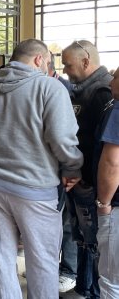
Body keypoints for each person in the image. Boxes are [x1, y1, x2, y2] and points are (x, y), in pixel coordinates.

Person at [0, 39, 83, 298]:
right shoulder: (50, 87)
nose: (48, 67)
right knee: (42, 262)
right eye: (47, 62)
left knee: (1, 259)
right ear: (38, 60)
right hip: (36, 186)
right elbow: (62, 139)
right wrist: (73, 166)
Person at [61, 40, 113, 298]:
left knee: (94, 243)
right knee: (82, 238)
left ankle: (92, 290)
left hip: (89, 183)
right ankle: (83, 286)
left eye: (68, 64)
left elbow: (101, 147)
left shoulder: (101, 92)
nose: (65, 70)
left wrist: (87, 179)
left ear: (85, 61)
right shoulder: (78, 90)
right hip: (76, 178)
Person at [97, 68, 119, 298]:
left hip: (116, 208)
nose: (111, 80)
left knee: (112, 281)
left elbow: (113, 162)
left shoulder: (118, 110)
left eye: (116, 76)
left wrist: (103, 203)